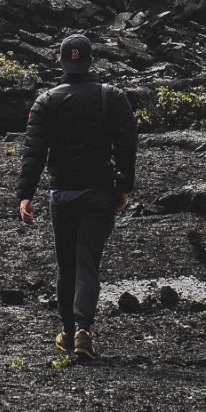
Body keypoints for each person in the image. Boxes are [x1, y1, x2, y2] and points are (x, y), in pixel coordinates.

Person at [16, 33, 138, 359]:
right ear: (91, 62)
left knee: (66, 266)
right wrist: (123, 185)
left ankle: (67, 334)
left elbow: (34, 152)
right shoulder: (112, 97)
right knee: (88, 264)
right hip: (99, 194)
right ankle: (84, 330)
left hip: (62, 196)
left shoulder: (46, 101)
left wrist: (26, 194)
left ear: (60, 62)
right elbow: (127, 143)